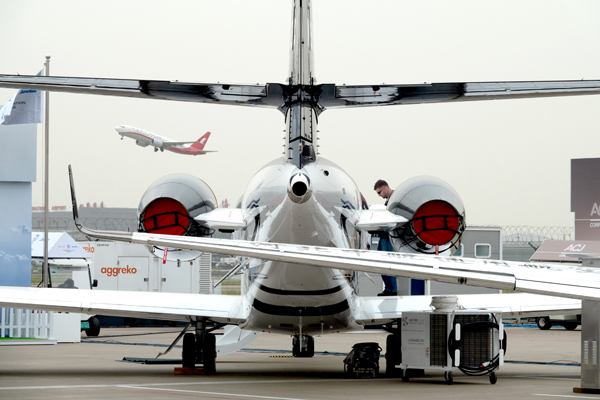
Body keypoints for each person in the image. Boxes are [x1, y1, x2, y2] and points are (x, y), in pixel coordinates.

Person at [374, 179, 398, 296]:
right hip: (384, 234)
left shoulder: (395, 198)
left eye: (379, 192)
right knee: (380, 262)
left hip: (389, 236)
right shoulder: (389, 200)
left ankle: (392, 289)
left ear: (384, 188)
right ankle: (389, 287)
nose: (379, 195)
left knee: (388, 262)